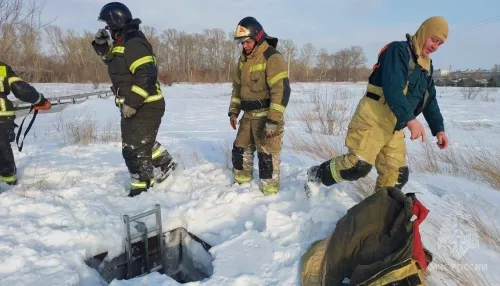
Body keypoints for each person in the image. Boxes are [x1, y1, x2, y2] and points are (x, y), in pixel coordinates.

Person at [306, 16, 450, 193]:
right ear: (424, 32)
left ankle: (378, 214)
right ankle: (315, 176)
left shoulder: (427, 66)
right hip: (373, 116)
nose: (435, 46)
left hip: (395, 124)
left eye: (440, 44)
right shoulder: (399, 51)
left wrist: (439, 129)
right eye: (434, 39)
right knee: (357, 166)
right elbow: (393, 88)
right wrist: (411, 120)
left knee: (396, 174)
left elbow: (430, 99)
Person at [92, 2, 176, 197]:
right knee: (141, 142)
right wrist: (102, 46)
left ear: (116, 23)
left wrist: (132, 103)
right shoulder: (122, 42)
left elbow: (146, 75)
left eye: (109, 25)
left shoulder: (134, 42)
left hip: (146, 105)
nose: (108, 29)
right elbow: (115, 64)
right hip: (138, 105)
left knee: (133, 150)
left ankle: (142, 189)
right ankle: (166, 163)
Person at [229, 16, 291, 195]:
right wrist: (234, 111)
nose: (245, 46)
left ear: (258, 37)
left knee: (267, 158)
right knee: (239, 152)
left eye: (247, 42)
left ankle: (269, 195)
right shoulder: (243, 60)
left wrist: (273, 120)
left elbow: (281, 91)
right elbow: (237, 88)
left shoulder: (272, 57)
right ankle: (241, 190)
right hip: (247, 116)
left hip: (266, 116)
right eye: (242, 43)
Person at [0, 62, 51, 186]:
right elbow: (21, 89)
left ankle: (8, 186)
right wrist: (40, 100)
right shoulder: (2, 68)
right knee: (2, 146)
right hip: (2, 115)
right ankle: (8, 183)